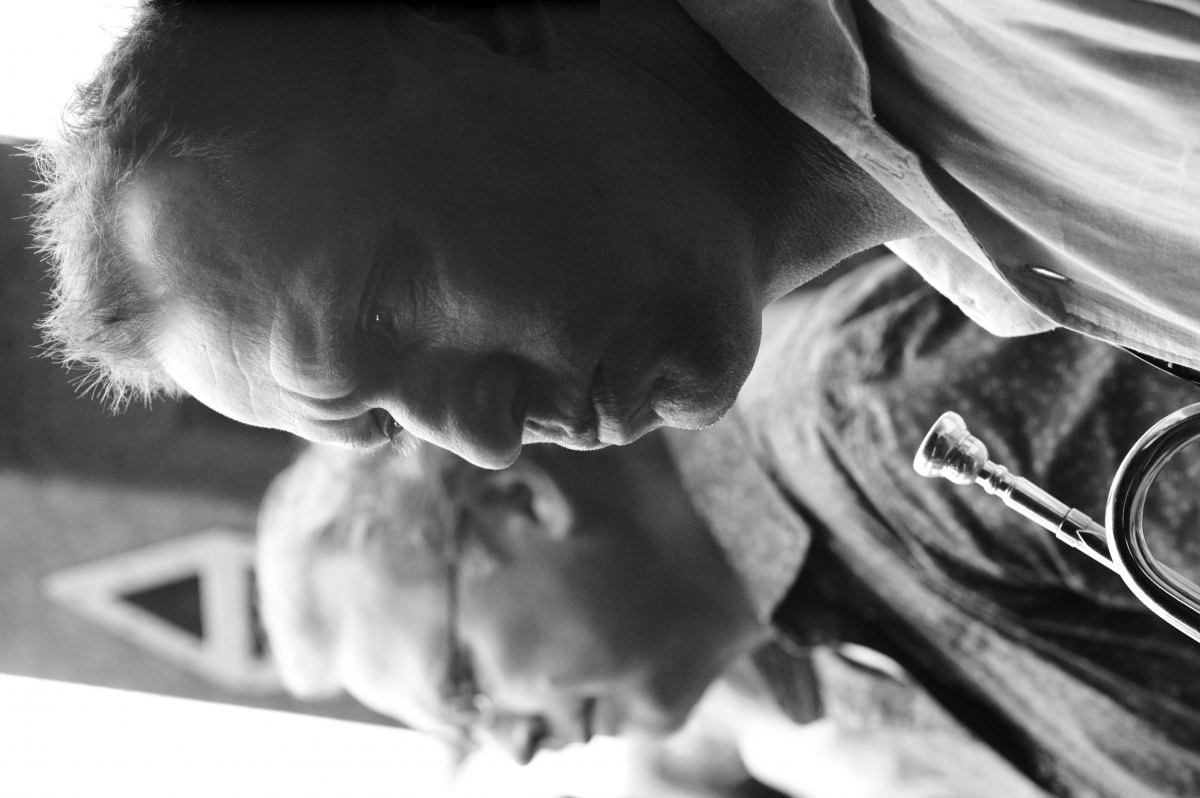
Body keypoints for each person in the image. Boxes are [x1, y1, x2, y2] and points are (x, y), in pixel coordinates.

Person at [30, 0, 1200, 468]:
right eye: (382, 424)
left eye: (382, 313)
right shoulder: (998, 251)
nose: (484, 442)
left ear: (488, 23)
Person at [259, 254, 1200, 798]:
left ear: (520, 504)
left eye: (466, 687)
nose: (514, 747)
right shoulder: (828, 644)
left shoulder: (873, 408)